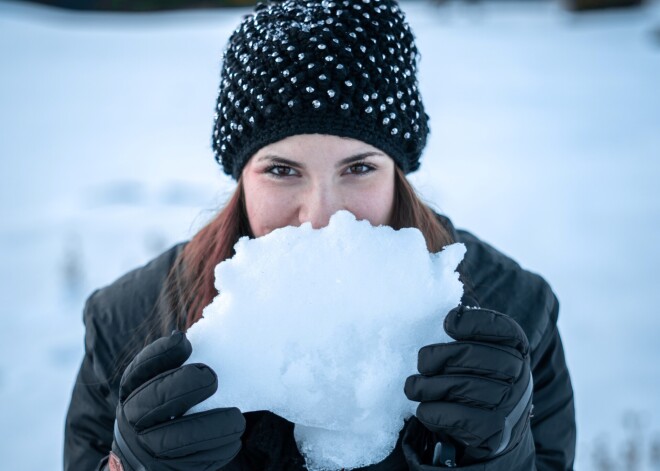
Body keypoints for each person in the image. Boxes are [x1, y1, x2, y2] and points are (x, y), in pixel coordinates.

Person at [63, 0, 576, 470]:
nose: (322, 217)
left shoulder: (514, 314)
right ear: (240, 177)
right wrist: (125, 464)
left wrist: (503, 454)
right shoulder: (129, 322)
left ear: (398, 171)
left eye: (358, 168)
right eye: (282, 171)